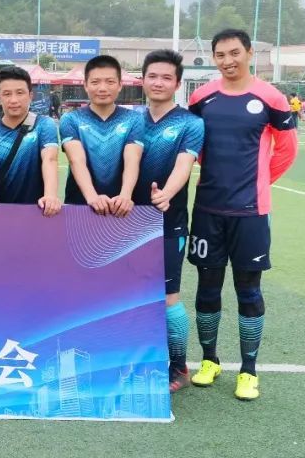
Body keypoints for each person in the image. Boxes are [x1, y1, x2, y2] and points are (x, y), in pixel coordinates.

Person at [187, 28, 298, 401]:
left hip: (251, 211)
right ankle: (209, 361)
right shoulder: (202, 98)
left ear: (249, 53)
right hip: (208, 208)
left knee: (248, 289)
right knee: (207, 287)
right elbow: (195, 147)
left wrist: (259, 182)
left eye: (234, 52)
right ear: (214, 58)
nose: (228, 60)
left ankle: (249, 370)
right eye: (220, 55)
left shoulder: (271, 97)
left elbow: (287, 149)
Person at [132, 49, 205, 392]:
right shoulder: (129, 120)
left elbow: (184, 165)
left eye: (166, 77)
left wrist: (166, 194)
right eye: (152, 76)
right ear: (142, 80)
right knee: (127, 295)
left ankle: (178, 367)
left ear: (177, 84)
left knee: (168, 297)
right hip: (126, 221)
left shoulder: (190, 123)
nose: (158, 82)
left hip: (168, 223)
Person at [59, 55, 144, 217]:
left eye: (110, 82)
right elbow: (76, 160)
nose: (102, 88)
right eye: (95, 82)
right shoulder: (71, 119)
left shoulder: (134, 119)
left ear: (120, 85)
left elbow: (132, 160)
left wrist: (125, 195)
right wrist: (92, 197)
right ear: (85, 85)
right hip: (79, 207)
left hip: (121, 208)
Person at [0, 66, 61, 216]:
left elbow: (50, 159)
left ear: (30, 95)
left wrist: (50, 195)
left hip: (38, 213)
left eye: (20, 93)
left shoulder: (44, 125)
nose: (13, 100)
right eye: (7, 94)